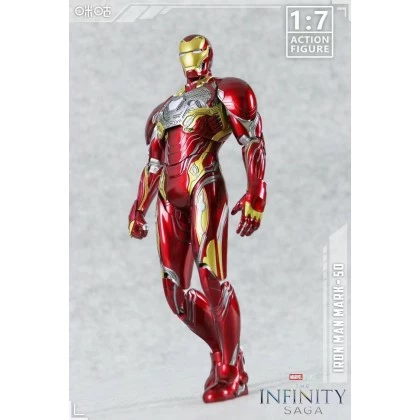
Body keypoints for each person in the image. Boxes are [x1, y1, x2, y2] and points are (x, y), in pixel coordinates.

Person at [128, 34, 267, 403]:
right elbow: (154, 164)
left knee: (211, 278)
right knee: (175, 291)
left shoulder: (226, 92)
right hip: (168, 198)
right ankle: (224, 352)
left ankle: (231, 369)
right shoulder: (164, 110)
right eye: (185, 55)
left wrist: (256, 192)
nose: (191, 62)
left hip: (203, 186)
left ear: (208, 55)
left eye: (196, 54)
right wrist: (138, 207)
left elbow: (252, 139)